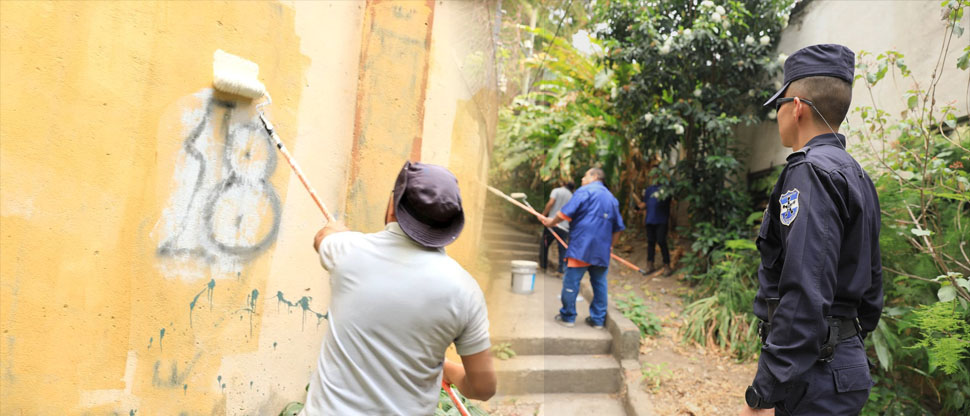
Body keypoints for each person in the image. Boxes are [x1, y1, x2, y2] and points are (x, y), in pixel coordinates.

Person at [741, 44, 883, 416]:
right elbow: (872, 286)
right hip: (841, 365)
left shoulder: (809, 172)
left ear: (797, 106)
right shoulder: (858, 176)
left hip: (813, 374)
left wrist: (763, 393)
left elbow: (805, 292)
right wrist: (844, 342)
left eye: (779, 105)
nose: (778, 116)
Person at [302, 161, 496, 415]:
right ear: (451, 224)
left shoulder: (346, 251)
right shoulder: (466, 291)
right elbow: (483, 388)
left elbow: (322, 239)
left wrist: (335, 230)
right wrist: (450, 371)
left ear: (393, 205)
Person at [538, 168, 625, 329]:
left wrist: (550, 222)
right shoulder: (612, 199)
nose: (582, 180)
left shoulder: (584, 191)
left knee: (571, 281)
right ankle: (598, 320)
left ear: (594, 176)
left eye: (585, 176)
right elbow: (618, 228)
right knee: (599, 283)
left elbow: (565, 214)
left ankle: (568, 317)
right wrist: (611, 246)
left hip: (581, 247)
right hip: (601, 250)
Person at [635, 182, 672, 276]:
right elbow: (645, 203)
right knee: (651, 242)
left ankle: (667, 265)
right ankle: (650, 264)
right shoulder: (649, 189)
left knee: (661, 241)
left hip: (661, 219)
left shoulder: (666, 189)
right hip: (650, 219)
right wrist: (637, 208)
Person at [539, 180, 575, 275]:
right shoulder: (572, 196)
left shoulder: (556, 191)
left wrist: (543, 215)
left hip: (552, 223)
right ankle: (561, 271)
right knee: (562, 249)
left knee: (545, 244)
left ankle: (543, 266)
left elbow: (550, 203)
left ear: (564, 184)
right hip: (564, 227)